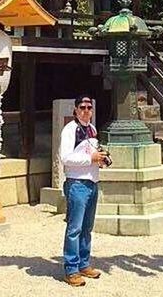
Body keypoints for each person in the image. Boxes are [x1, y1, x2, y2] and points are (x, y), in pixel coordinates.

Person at [60, 95, 107, 287]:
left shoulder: (92, 129)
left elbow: (91, 154)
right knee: (74, 228)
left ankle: (84, 263)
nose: (86, 110)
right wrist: (91, 159)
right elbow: (65, 157)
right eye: (82, 107)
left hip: (92, 182)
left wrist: (101, 160)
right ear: (75, 109)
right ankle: (71, 269)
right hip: (77, 183)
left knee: (87, 227)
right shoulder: (70, 130)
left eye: (89, 107)